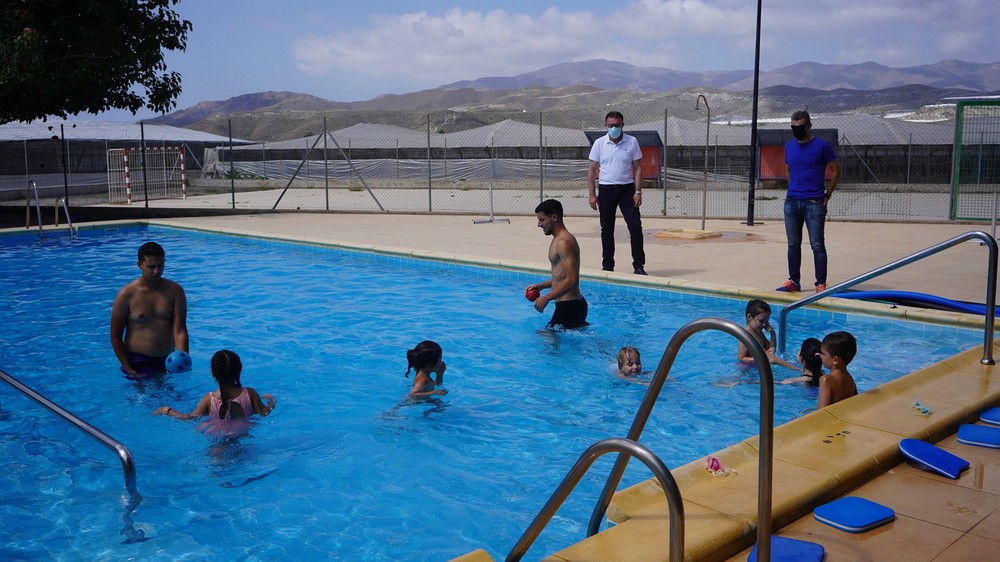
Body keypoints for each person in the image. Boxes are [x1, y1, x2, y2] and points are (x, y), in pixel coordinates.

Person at [777, 110, 841, 294]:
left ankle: (820, 284)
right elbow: (789, 170)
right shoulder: (789, 147)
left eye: (800, 127)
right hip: (792, 202)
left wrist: (827, 195)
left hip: (814, 203)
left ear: (809, 126)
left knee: (817, 245)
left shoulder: (822, 146)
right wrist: (793, 189)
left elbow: (836, 170)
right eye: (793, 127)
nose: (796, 130)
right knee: (792, 245)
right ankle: (793, 282)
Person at [110, 241, 189, 378]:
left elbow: (180, 329)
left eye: (160, 266)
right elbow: (115, 335)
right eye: (151, 267)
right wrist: (128, 368)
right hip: (137, 362)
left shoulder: (175, 291)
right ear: (139, 265)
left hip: (168, 360)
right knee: (140, 399)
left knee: (170, 398)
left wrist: (183, 359)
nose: (156, 271)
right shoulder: (126, 295)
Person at [588, 110, 647, 275]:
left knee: (635, 227)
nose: (614, 128)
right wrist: (592, 194)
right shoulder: (599, 143)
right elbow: (592, 171)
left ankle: (639, 265)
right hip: (606, 189)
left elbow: (638, 167)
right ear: (605, 125)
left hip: (627, 190)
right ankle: (608, 265)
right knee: (607, 229)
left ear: (623, 125)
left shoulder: (632, 142)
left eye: (617, 125)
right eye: (611, 125)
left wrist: (638, 191)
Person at [154, 349, 276, 420]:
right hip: (243, 439)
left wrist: (166, 410)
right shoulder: (250, 394)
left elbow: (188, 418)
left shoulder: (208, 400)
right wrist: (271, 402)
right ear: (239, 370)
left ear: (213, 373)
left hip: (216, 439)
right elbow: (265, 413)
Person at [526, 199, 589, 329]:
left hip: (570, 306)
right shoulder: (557, 239)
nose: (539, 224)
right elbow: (560, 276)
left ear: (554, 217)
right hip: (569, 305)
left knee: (549, 342)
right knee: (552, 340)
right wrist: (541, 286)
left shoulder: (564, 242)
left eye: (542, 220)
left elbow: (572, 279)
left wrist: (547, 298)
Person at [738, 299, 797, 370]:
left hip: (757, 366)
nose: (764, 324)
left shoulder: (759, 332)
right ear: (749, 317)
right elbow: (741, 357)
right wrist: (762, 357)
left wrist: (772, 333)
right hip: (746, 369)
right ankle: (798, 370)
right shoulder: (746, 335)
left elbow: (771, 350)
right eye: (761, 320)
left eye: (766, 321)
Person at [818, 331, 858, 408]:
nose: (820, 356)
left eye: (823, 353)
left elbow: (821, 412)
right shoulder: (850, 379)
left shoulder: (826, 380)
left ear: (835, 360)